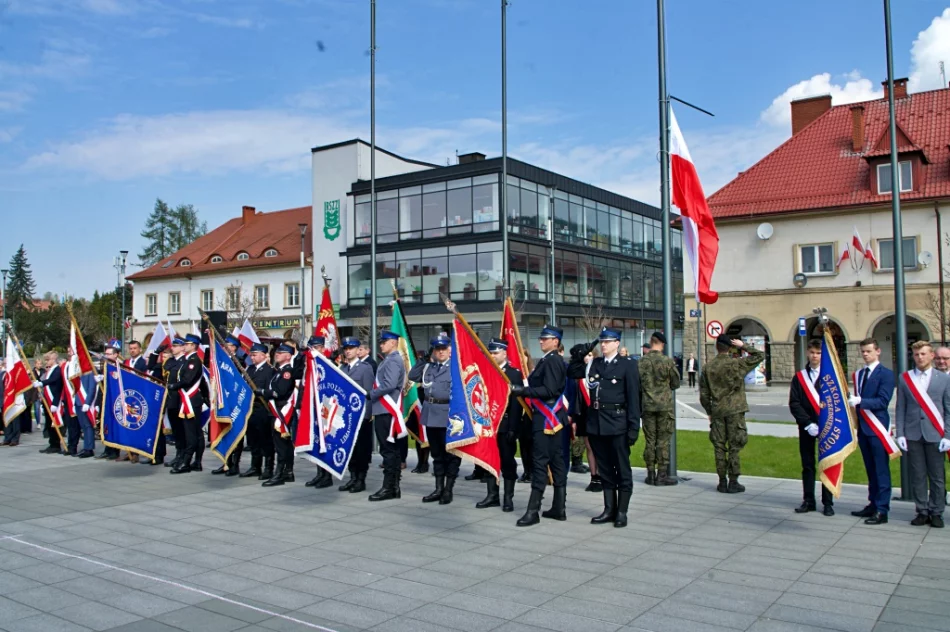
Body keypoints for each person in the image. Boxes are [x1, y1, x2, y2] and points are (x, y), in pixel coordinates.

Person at [568, 327, 641, 528]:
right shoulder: (595, 364)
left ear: (617, 343)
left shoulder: (628, 365)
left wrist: (634, 427)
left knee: (622, 469)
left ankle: (622, 512)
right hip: (597, 423)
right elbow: (572, 371)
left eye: (608, 341)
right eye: (602, 341)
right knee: (606, 469)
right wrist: (582, 352)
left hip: (618, 423)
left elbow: (634, 398)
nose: (604, 344)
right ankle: (609, 509)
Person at [510, 325, 569, 526]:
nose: (541, 341)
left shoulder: (552, 360)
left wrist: (523, 391)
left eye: (546, 338)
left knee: (540, 462)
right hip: (552, 417)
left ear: (556, 341)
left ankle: (533, 511)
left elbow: (549, 390)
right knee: (556, 461)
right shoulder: (551, 360)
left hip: (546, 418)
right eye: (541, 338)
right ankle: (559, 507)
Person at [699, 335, 765, 494]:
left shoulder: (708, 367)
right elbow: (760, 356)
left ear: (717, 347)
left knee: (719, 446)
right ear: (730, 347)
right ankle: (733, 481)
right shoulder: (737, 364)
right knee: (734, 446)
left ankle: (722, 481)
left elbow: (703, 395)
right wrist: (743, 346)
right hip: (735, 409)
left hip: (718, 410)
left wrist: (710, 411)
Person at [896, 340, 950, 528]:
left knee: (937, 476)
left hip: (936, 434)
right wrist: (900, 433)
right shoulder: (905, 378)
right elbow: (901, 407)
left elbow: (948, 409)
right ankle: (921, 510)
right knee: (917, 475)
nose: (920, 357)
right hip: (913, 434)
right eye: (917, 354)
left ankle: (937, 511)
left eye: (923, 354)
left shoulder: (943, 379)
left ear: (932, 356)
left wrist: (948, 436)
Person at [848, 337, 896, 525]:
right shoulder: (860, 374)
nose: (865, 354)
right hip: (864, 428)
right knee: (870, 468)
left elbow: (883, 401)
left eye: (869, 351)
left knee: (881, 470)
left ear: (878, 351)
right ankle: (873, 503)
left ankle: (882, 509)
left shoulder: (886, 374)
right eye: (863, 351)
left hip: (877, 427)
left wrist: (861, 402)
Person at [409, 334, 459, 505]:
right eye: (437, 349)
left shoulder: (455, 367)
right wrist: (423, 360)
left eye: (443, 348)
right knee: (437, 455)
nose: (440, 352)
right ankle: (438, 488)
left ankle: (448, 489)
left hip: (448, 416)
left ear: (449, 350)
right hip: (431, 415)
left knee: (451, 455)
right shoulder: (428, 368)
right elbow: (412, 376)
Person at [481, 338, 526, 511]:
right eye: (491, 352)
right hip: (489, 424)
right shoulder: (486, 371)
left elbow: (516, 404)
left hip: (505, 423)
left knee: (507, 461)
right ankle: (492, 495)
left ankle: (508, 498)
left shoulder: (513, 373)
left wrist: (513, 428)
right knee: (489, 460)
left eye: (496, 352)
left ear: (505, 353)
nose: (492, 355)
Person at [789, 339, 833, 516]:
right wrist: (807, 424)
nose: (815, 356)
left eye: (819, 353)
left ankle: (828, 502)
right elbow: (794, 403)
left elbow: (837, 403)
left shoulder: (831, 377)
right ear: (808, 353)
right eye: (812, 352)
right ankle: (808, 500)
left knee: (827, 464)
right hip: (807, 427)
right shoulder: (800, 377)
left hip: (828, 427)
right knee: (807, 465)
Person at [369, 330, 407, 501]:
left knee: (388, 451)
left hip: (386, 410)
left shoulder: (392, 361)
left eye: (384, 342)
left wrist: (371, 394)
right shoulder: (391, 360)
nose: (381, 344)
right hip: (385, 409)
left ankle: (388, 487)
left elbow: (389, 384)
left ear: (393, 343)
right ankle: (394, 486)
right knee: (393, 451)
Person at [639, 332, 680, 486]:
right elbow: (675, 383)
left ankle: (650, 473)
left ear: (651, 342)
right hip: (664, 406)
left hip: (647, 405)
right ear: (662, 344)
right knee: (663, 441)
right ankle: (661, 475)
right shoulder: (667, 361)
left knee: (650, 440)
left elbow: (636, 383)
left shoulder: (642, 362)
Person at [338, 337, 375, 493]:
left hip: (360, 416)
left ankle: (361, 479)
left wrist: (366, 416)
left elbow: (369, 394)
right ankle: (352, 477)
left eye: (351, 348)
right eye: (346, 349)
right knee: (349, 448)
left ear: (357, 350)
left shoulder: (365, 368)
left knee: (361, 449)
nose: (348, 351)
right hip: (346, 417)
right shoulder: (342, 369)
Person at [258, 343, 298, 486]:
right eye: (277, 352)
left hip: (282, 411)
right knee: (282, 443)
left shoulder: (287, 372)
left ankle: (280, 474)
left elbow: (279, 392)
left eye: (281, 353)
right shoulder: (278, 371)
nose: (277, 354)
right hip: (276, 410)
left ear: (288, 356)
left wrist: (263, 392)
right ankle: (288, 472)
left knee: (281, 444)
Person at [167, 334, 207, 474]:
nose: (184, 346)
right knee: (194, 432)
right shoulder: (187, 360)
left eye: (186, 344)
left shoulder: (194, 361)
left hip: (191, 400)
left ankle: (187, 462)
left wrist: (174, 386)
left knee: (192, 432)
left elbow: (188, 380)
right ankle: (195, 462)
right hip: (186, 400)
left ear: (193, 345)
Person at [241, 343, 276, 480]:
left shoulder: (270, 371)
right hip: (250, 409)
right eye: (251, 355)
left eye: (255, 355)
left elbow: (270, 390)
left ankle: (268, 468)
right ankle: (255, 466)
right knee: (253, 440)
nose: (252, 357)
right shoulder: (249, 370)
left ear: (263, 355)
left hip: (263, 409)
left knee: (265, 440)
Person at [572, 352, 602, 493]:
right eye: (586, 355)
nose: (588, 357)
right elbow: (575, 397)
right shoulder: (579, 375)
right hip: (584, 415)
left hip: (598, 414)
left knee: (599, 448)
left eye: (590, 354)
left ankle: (602, 476)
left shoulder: (599, 371)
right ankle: (594, 477)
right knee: (589, 447)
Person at [93, 343, 121, 460]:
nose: (106, 356)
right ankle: (107, 449)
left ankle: (115, 451)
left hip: (114, 400)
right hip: (105, 400)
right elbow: (101, 389)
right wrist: (97, 403)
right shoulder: (105, 366)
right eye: (106, 353)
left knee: (114, 426)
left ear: (116, 355)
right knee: (105, 427)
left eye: (109, 354)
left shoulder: (119, 366)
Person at [34, 351, 64, 455]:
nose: (46, 362)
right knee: (48, 423)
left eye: (48, 359)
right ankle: (52, 444)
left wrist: (41, 383)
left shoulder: (57, 370)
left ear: (54, 359)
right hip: (47, 401)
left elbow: (54, 382)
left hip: (54, 401)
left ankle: (56, 445)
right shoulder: (49, 371)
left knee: (53, 424)